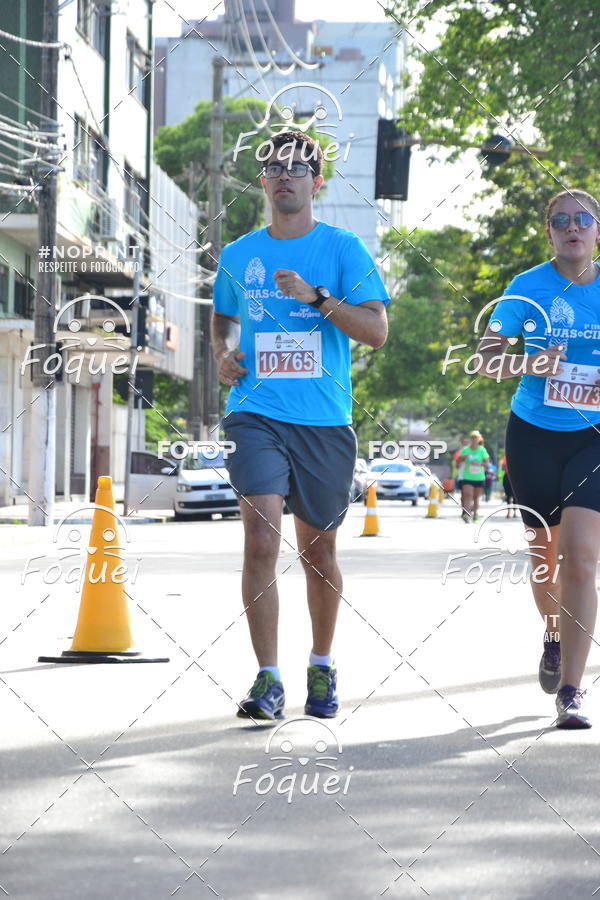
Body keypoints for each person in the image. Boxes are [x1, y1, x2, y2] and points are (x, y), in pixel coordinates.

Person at [211, 130, 390, 721]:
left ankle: (321, 664)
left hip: (324, 420)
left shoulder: (343, 250)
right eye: (274, 168)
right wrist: (223, 354)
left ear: (318, 182)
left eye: (298, 167)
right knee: (261, 538)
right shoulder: (239, 255)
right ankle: (267, 679)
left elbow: (376, 331)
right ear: (262, 181)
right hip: (255, 413)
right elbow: (223, 323)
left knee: (318, 553)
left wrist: (318, 300)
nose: (285, 175)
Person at [476, 188, 600, 729]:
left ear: (597, 230)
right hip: (533, 435)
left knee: (582, 555)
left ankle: (571, 689)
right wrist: (532, 362)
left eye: (582, 219)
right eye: (560, 221)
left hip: (593, 438)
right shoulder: (526, 289)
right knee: (545, 553)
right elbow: (485, 361)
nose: (572, 227)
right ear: (548, 232)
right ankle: (553, 633)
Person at [457, 430, 490, 523]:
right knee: (468, 495)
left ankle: (475, 514)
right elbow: (458, 462)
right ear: (470, 439)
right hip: (467, 477)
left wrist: (479, 464)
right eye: (472, 437)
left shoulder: (482, 450)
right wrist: (462, 458)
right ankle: (467, 515)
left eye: (476, 438)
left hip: (479, 478)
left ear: (479, 439)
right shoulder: (465, 450)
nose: (474, 439)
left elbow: (487, 465)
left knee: (476, 498)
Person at [453, 436, 469, 510]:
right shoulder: (458, 453)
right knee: (463, 495)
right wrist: (462, 460)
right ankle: (464, 509)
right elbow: (457, 466)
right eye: (464, 442)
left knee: (470, 495)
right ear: (461, 443)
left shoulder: (473, 452)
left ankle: (469, 509)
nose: (466, 444)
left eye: (467, 442)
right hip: (462, 476)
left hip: (473, 476)